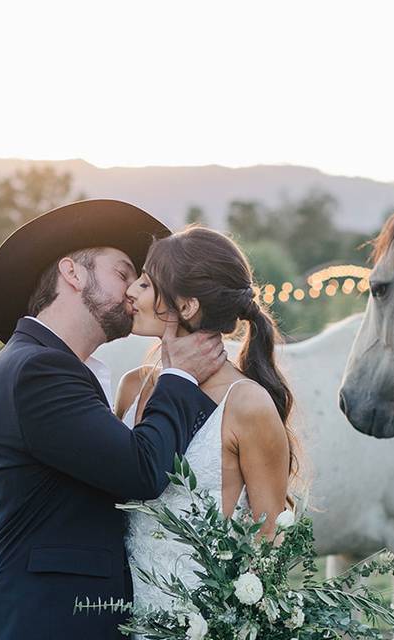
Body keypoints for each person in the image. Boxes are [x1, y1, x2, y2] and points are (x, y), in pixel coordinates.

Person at [0, 200, 228, 640]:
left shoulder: (56, 366)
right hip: (43, 620)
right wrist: (181, 376)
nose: (133, 292)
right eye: (123, 274)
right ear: (73, 273)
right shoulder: (39, 370)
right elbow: (141, 471)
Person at [116, 225, 303, 614]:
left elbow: (268, 543)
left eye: (147, 285)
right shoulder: (132, 388)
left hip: (205, 620)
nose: (131, 290)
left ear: (186, 307)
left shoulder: (248, 404)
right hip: (124, 616)